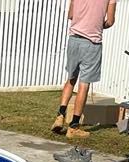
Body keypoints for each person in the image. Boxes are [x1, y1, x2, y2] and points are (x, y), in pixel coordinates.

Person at [50, 0, 117, 140]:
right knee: (84, 84)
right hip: (92, 42)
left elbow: (70, 15)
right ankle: (74, 126)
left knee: (71, 79)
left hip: (74, 40)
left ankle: (60, 115)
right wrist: (98, 24)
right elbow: (110, 21)